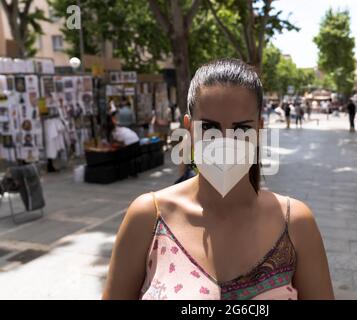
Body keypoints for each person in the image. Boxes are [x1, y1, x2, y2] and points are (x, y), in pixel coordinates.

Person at [102, 59, 334, 300]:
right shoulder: (148, 217)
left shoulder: (296, 223)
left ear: (259, 129)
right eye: (210, 128)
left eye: (241, 129)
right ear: (189, 129)